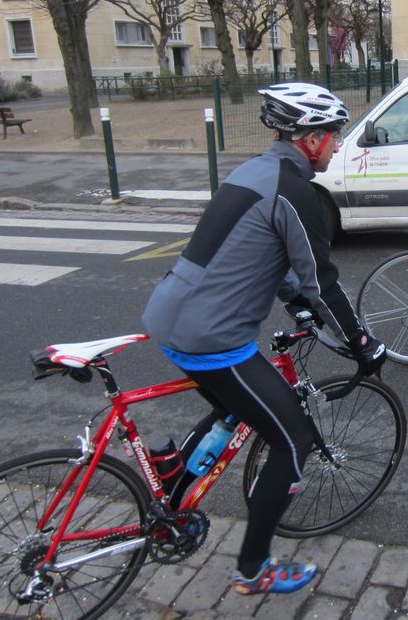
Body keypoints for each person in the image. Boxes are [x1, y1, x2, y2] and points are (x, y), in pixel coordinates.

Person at [141, 82, 386, 596]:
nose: (338, 144)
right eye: (334, 134)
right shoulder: (296, 189)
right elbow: (323, 281)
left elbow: (254, 251)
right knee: (292, 439)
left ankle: (174, 483)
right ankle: (253, 570)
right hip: (210, 336)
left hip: (170, 315)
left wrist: (295, 301)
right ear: (310, 138)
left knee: (239, 406)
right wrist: (362, 345)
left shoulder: (254, 170)